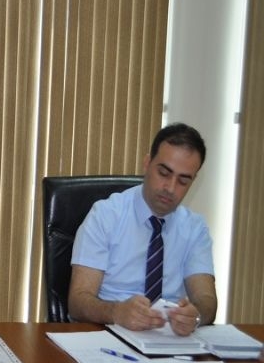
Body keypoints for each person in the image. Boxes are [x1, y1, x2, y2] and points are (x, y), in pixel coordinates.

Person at [69, 123, 217, 336]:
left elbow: (207, 300)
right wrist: (116, 312)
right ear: (147, 164)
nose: (170, 188)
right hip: (109, 332)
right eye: (164, 173)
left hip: (170, 339)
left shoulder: (195, 228)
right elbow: (78, 300)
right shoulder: (105, 215)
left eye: (183, 181)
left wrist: (196, 316)